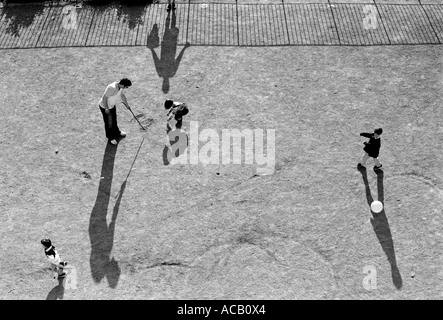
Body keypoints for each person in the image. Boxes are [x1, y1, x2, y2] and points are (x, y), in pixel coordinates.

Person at [98, 78, 132, 145]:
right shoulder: (111, 88)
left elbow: (122, 96)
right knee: (109, 123)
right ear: (122, 85)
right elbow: (104, 98)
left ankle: (117, 133)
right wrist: (106, 108)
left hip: (112, 106)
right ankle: (111, 138)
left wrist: (127, 105)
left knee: (114, 120)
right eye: (126, 87)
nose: (126, 88)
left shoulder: (120, 87)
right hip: (105, 107)